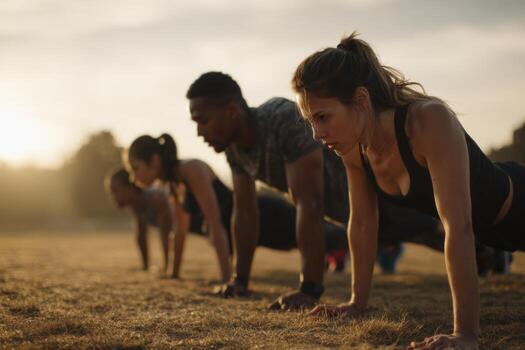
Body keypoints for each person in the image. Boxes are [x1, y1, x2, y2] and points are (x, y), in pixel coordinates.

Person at [291, 32, 524, 349]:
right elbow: (362, 223)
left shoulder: (427, 121)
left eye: (322, 117)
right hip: (493, 236)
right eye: (310, 121)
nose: (317, 134)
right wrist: (357, 304)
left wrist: (465, 334)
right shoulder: (354, 150)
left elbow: (458, 225)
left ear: (361, 100)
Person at [186, 72, 451, 310]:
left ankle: (487, 250)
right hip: (351, 217)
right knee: (432, 237)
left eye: (203, 120)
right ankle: (484, 256)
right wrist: (240, 280)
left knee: (443, 231)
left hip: (383, 199)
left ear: (232, 109)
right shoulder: (234, 149)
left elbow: (308, 203)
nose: (199, 131)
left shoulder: (281, 119)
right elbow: (244, 213)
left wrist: (309, 290)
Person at [126, 134, 351, 285]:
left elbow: (215, 224)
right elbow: (180, 231)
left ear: (154, 160)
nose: (134, 178)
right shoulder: (173, 184)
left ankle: (381, 237)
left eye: (136, 168)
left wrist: (229, 280)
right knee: (313, 240)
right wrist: (173, 274)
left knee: (332, 235)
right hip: (248, 230)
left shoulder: (190, 169)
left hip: (265, 215)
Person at [106, 168, 174, 274]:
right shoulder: (136, 205)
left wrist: (167, 269)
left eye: (115, 191)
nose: (113, 197)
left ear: (130, 187)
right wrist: (145, 267)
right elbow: (141, 236)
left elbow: (165, 234)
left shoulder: (155, 198)